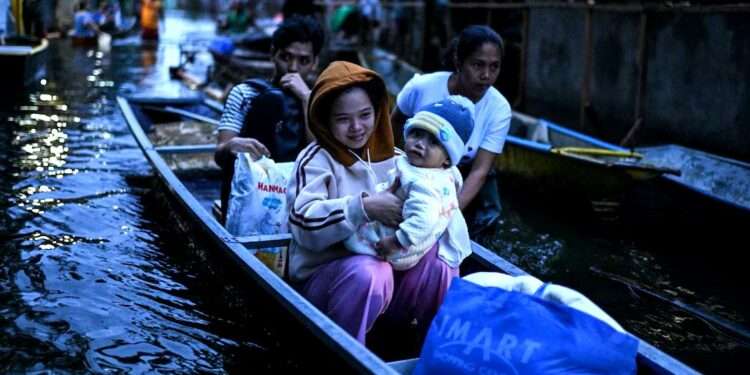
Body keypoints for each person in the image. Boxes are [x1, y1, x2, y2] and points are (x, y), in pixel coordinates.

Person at [287, 61, 464, 344]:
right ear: (325, 120)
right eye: (343, 119)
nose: (357, 128)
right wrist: (364, 207)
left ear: (378, 112)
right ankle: (347, 353)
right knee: (370, 271)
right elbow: (302, 225)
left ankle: (425, 346)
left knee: (441, 260)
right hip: (327, 279)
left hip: (388, 273)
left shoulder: (400, 159)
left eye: (365, 115)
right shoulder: (315, 160)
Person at [391, 25, 511, 233]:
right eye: (478, 65)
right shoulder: (422, 87)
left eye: (494, 67)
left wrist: (446, 215)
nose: (486, 75)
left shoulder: (499, 109)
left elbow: (480, 171)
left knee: (486, 223)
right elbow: (393, 123)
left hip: (465, 170)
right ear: (458, 61)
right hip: (416, 160)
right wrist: (396, 166)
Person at [344, 95, 473, 272]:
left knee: (348, 235)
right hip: (416, 246)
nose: (420, 144)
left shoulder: (421, 182)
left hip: (395, 245)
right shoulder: (446, 174)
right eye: (417, 134)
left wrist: (396, 241)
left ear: (447, 159)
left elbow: (424, 218)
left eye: (434, 142)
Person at [214, 15, 324, 222]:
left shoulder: (321, 101)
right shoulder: (244, 93)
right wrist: (232, 146)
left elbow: (318, 157)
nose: (293, 68)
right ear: (272, 54)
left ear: (315, 63)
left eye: (304, 61)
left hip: (298, 199)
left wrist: (306, 98)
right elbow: (219, 156)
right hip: (248, 197)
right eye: (285, 57)